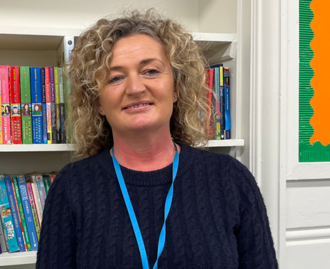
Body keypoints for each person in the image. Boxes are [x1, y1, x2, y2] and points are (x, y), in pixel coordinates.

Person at [36, 9, 278, 269]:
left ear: (176, 87)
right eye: (115, 77)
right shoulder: (72, 187)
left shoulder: (231, 179)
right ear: (98, 102)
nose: (135, 88)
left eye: (150, 71)